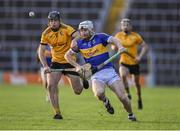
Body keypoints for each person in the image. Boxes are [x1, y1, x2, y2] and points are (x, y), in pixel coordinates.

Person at [65, 20, 137, 121]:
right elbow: (67, 56)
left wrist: (120, 47)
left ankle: (131, 114)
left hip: (109, 71)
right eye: (81, 31)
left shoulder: (100, 37)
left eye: (85, 30)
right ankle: (106, 101)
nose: (83, 33)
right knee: (99, 93)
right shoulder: (79, 43)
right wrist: (77, 66)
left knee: (123, 97)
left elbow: (114, 40)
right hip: (95, 74)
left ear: (91, 30)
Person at [38, 11, 89, 120]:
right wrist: (45, 66)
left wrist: (74, 41)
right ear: (49, 22)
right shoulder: (46, 33)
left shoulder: (66, 28)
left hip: (69, 61)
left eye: (55, 20)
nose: (53, 23)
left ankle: (83, 76)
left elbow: (78, 35)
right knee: (51, 85)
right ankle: (57, 113)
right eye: (51, 21)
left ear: (59, 21)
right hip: (56, 63)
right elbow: (41, 51)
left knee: (78, 91)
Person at [113, 18, 148, 110]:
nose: (125, 26)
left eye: (127, 25)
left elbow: (145, 46)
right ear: (121, 26)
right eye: (123, 25)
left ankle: (139, 99)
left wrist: (140, 57)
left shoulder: (135, 36)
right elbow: (113, 46)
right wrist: (114, 47)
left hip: (134, 62)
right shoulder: (118, 35)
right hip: (124, 62)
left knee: (136, 84)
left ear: (131, 27)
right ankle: (128, 93)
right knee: (123, 75)